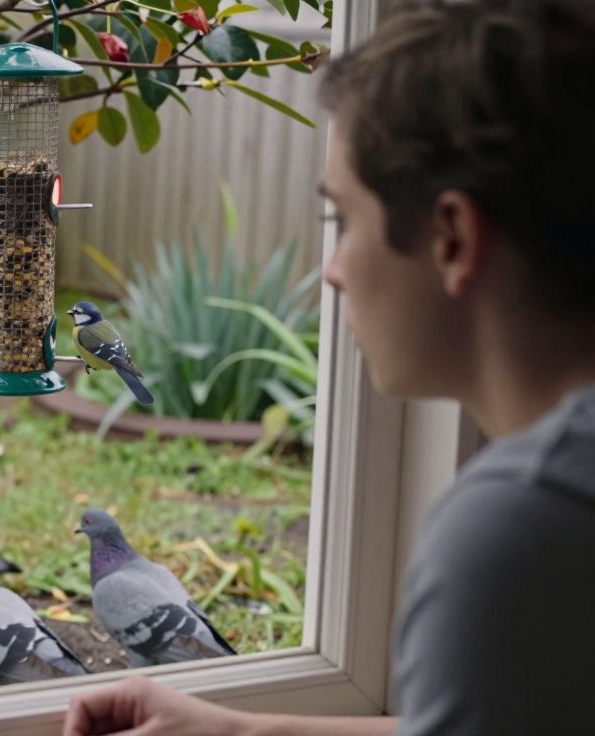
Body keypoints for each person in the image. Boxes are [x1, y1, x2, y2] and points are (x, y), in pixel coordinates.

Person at [62, 0, 595, 734]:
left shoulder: (521, 533)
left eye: (341, 221)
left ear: (451, 239)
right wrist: (236, 729)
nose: (334, 271)